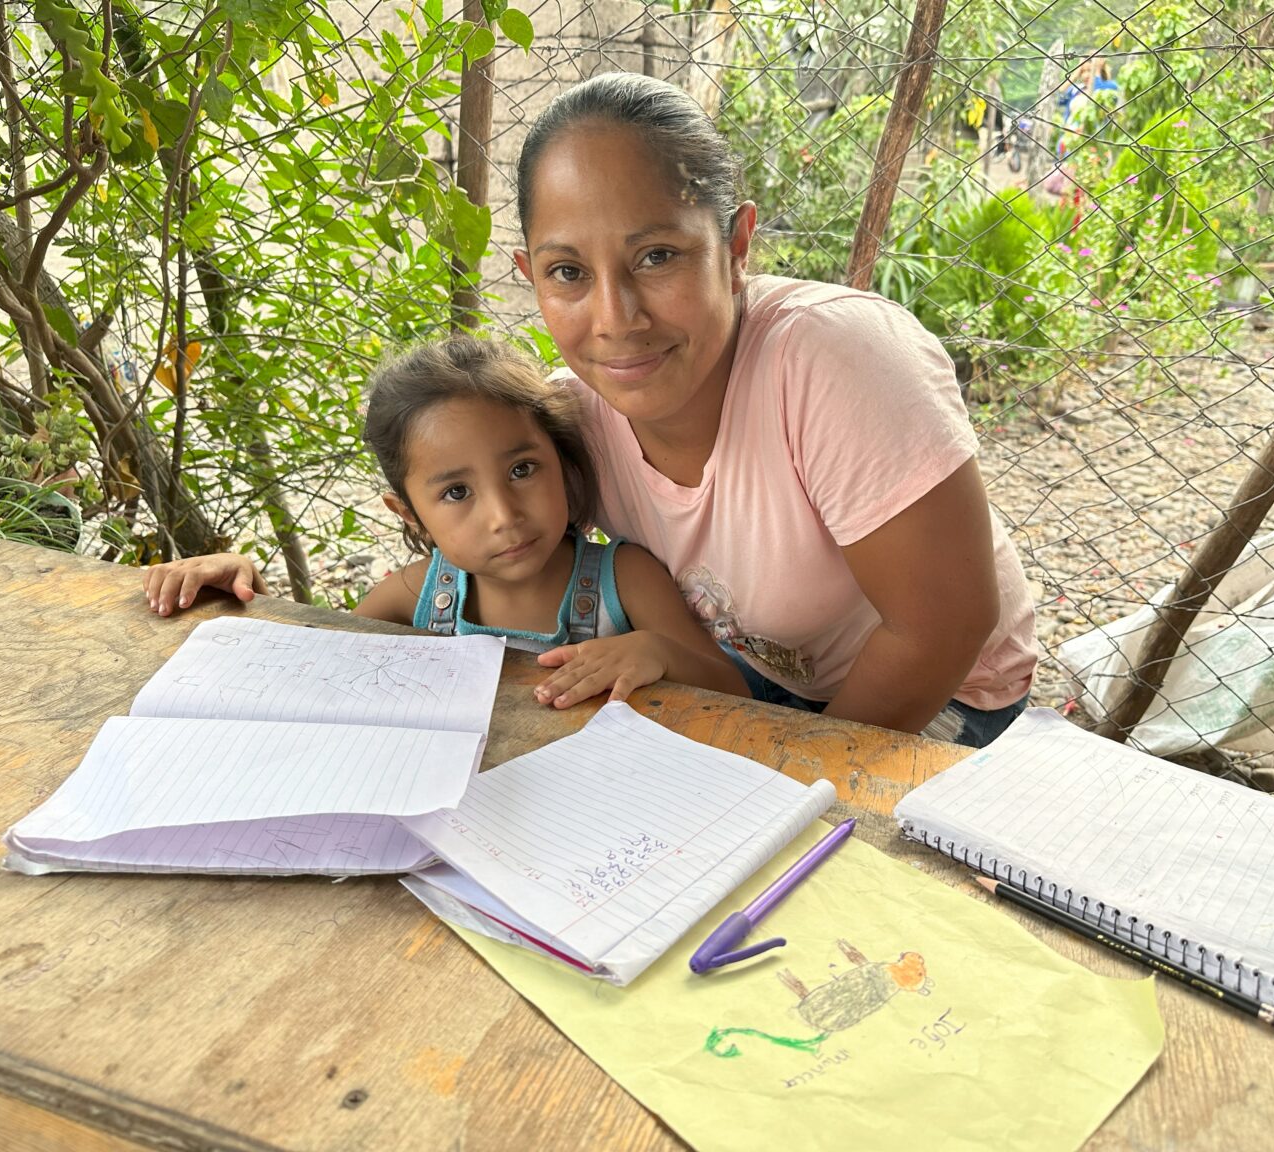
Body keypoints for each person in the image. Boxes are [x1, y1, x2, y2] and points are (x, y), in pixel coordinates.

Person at [510, 72, 1038, 747]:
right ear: (531, 276)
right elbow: (493, 552)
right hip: (764, 674)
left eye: (657, 257)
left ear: (736, 248)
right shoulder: (574, 418)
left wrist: (791, 775)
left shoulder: (835, 362)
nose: (615, 319)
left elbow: (942, 629)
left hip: (950, 686)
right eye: (568, 272)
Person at [141, 337, 748, 708]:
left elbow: (736, 691)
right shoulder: (416, 596)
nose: (504, 516)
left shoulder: (625, 579)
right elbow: (315, 667)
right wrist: (245, 591)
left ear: (562, 464)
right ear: (411, 515)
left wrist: (655, 652)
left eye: (522, 470)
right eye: (457, 492)